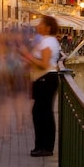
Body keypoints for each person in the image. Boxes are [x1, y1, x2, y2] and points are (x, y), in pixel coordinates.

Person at [20, 16, 62, 157]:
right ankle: (42, 146)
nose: (38, 26)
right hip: (43, 79)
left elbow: (44, 64)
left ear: (48, 27)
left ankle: (45, 147)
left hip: (46, 78)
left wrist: (27, 55)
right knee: (41, 112)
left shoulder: (48, 42)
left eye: (41, 24)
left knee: (42, 113)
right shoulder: (46, 41)